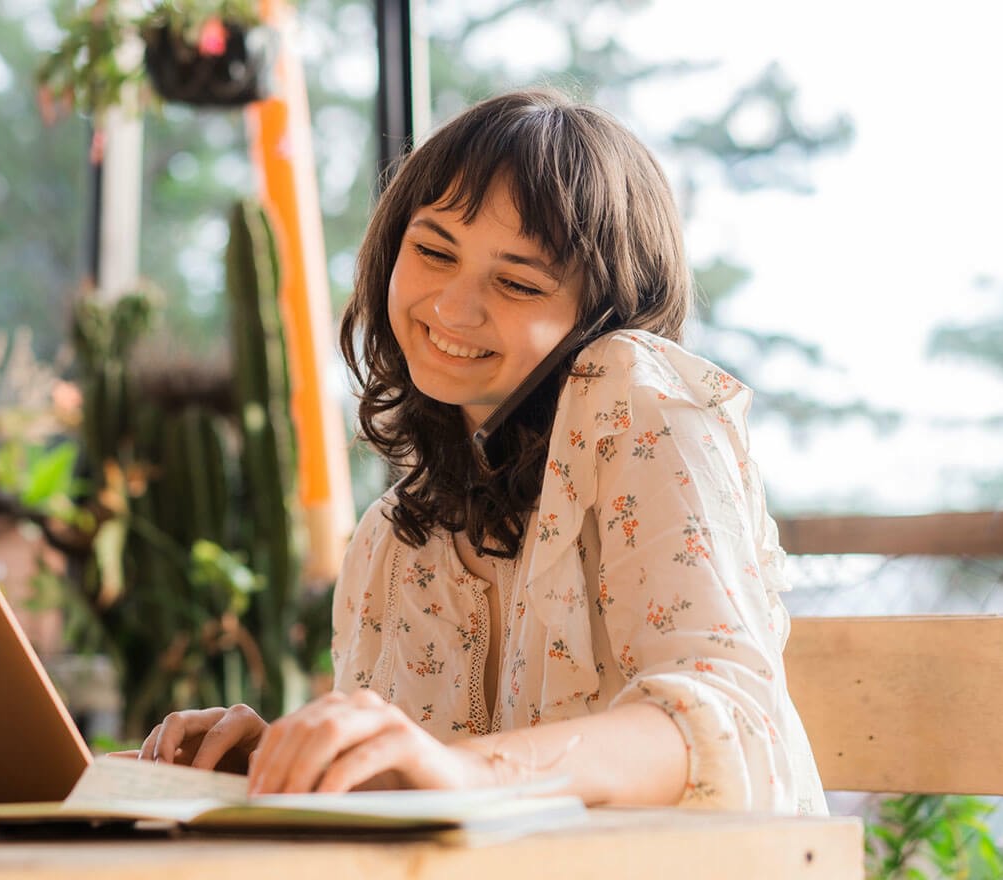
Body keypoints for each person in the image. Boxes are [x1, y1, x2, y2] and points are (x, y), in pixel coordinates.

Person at [137, 87, 827, 814]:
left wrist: (470, 771)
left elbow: (725, 724)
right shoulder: (390, 542)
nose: (453, 308)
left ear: (603, 312)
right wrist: (284, 764)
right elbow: (414, 789)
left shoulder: (635, 394)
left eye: (518, 282)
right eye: (433, 249)